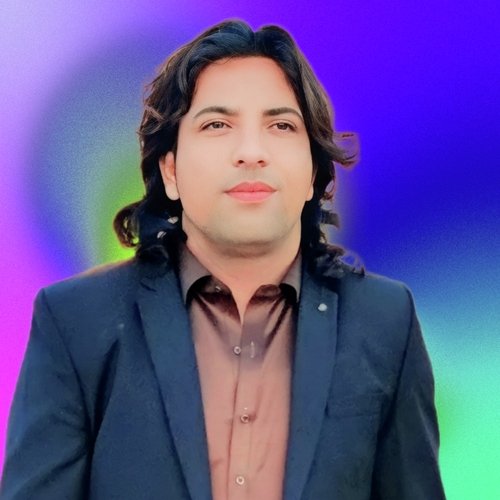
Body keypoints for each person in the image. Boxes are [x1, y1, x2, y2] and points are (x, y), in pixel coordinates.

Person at [0, 19, 446, 500]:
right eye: (217, 125)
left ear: (315, 173)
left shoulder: (384, 321)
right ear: (170, 171)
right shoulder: (77, 321)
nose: (251, 152)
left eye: (281, 125)